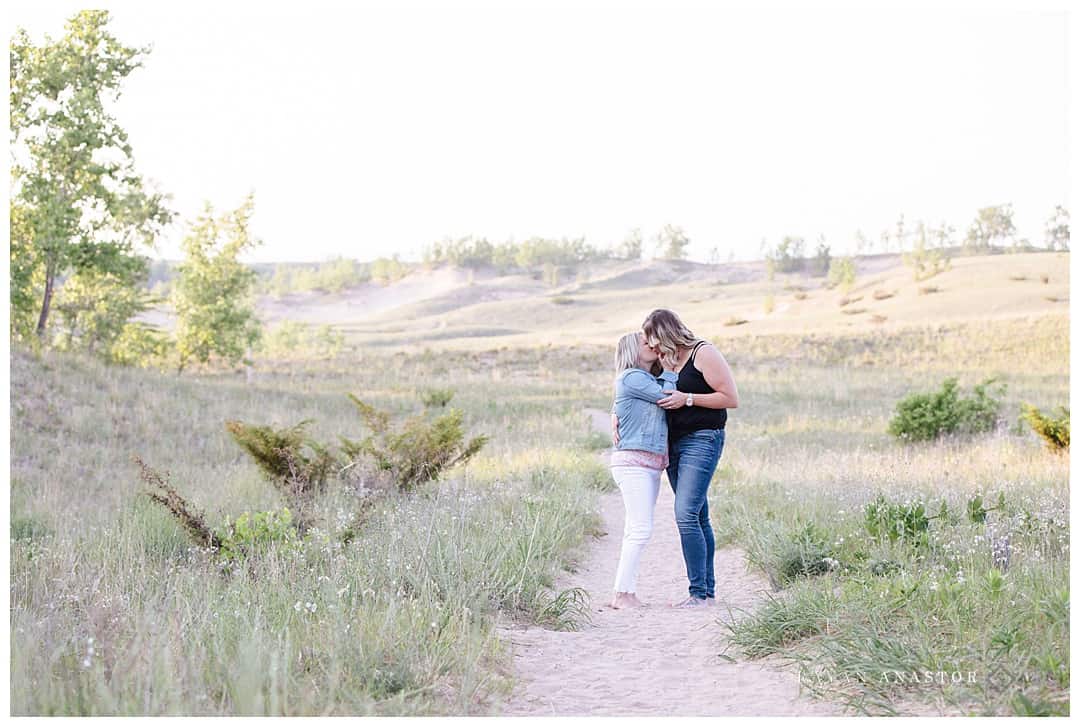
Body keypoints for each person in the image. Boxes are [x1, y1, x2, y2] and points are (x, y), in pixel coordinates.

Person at [612, 309, 739, 608]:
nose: (651, 346)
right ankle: (707, 592)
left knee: (684, 514)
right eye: (647, 342)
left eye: (652, 339)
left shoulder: (702, 353)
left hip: (702, 438)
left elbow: (731, 398)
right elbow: (631, 387)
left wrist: (690, 398)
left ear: (665, 332)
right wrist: (615, 413)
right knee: (698, 515)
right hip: (673, 444)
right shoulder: (663, 363)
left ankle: (697, 593)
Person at [607, 331, 679, 609]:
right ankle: (622, 595)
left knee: (634, 530)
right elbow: (667, 396)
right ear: (631, 350)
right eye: (643, 341)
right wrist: (672, 370)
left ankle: (625, 591)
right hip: (634, 464)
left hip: (648, 465)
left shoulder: (644, 379)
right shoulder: (632, 377)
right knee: (640, 529)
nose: (651, 343)